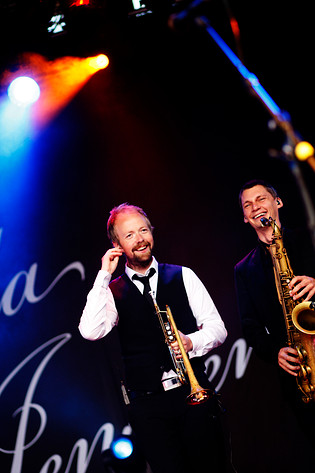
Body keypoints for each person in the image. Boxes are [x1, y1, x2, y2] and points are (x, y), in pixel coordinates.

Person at [79, 203, 229, 473]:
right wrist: (103, 276)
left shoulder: (183, 275)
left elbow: (218, 329)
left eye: (143, 230)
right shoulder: (112, 291)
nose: (140, 239)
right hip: (148, 406)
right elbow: (90, 331)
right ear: (116, 244)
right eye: (129, 235)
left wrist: (191, 342)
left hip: (192, 393)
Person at [234, 179, 315, 446]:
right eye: (248, 205)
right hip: (301, 369)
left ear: (277, 202)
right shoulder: (244, 269)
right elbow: (251, 326)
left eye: (261, 199)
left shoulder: (309, 237)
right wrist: (275, 351)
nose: (255, 207)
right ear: (245, 218)